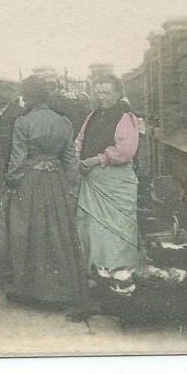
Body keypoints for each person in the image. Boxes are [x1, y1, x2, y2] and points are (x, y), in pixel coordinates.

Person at [0, 76, 86, 311]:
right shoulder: (63, 121)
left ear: (29, 96)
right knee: (56, 231)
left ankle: (31, 291)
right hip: (55, 181)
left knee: (29, 233)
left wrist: (11, 182)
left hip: (30, 180)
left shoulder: (23, 122)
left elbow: (17, 159)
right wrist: (70, 183)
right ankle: (60, 290)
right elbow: (70, 159)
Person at [75, 74, 141, 274]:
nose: (102, 97)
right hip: (92, 181)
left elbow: (125, 150)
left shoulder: (126, 117)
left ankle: (119, 273)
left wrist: (96, 160)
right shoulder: (92, 116)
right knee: (91, 228)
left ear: (118, 93)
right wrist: (77, 158)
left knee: (115, 230)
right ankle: (95, 272)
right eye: (99, 93)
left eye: (107, 93)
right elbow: (79, 141)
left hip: (115, 181)